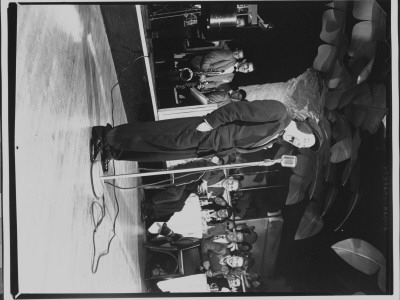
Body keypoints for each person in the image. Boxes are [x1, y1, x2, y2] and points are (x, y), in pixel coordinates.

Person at [90, 100, 323, 171]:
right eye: (305, 139)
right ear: (305, 126)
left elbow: (238, 143)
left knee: (160, 150)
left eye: (303, 145)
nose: (300, 144)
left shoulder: (276, 137)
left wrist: (216, 156)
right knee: (158, 136)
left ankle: (115, 150)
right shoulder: (279, 112)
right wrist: (210, 122)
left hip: (207, 146)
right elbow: (238, 109)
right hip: (207, 132)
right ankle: (107, 135)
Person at [141, 160, 242, 220]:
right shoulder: (220, 173)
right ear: (231, 178)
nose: (229, 185)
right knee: (176, 195)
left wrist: (202, 195)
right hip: (187, 178)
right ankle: (149, 203)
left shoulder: (220, 192)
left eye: (231, 188)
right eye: (232, 183)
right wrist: (204, 181)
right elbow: (208, 164)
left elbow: (202, 195)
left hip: (189, 189)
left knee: (179, 206)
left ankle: (150, 212)